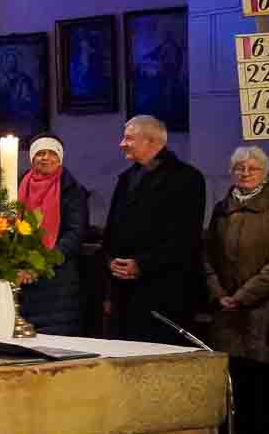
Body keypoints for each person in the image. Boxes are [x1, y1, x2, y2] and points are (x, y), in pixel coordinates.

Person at [202, 145, 269, 434]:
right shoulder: (222, 208)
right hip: (226, 306)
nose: (245, 174)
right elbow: (208, 256)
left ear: (265, 172)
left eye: (252, 169)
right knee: (237, 376)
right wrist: (219, 293)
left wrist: (244, 296)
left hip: (262, 306)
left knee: (262, 376)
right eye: (239, 168)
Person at [105, 115, 208, 344]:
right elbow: (113, 228)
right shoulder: (127, 178)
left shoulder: (186, 179)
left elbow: (185, 238)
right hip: (125, 291)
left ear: (151, 141)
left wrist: (142, 265)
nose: (122, 144)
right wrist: (111, 259)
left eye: (129, 138)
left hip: (163, 293)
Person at [15, 137, 90, 334]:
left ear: (60, 159)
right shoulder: (16, 187)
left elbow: (75, 234)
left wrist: (41, 264)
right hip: (22, 278)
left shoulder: (72, 190)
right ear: (32, 159)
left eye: (52, 153)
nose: (45, 158)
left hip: (58, 281)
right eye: (40, 153)